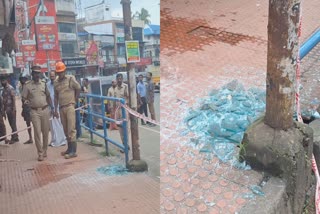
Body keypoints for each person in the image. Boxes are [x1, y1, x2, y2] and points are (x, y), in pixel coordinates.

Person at [21, 65, 54, 161]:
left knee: (45, 132)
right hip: (34, 112)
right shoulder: (27, 85)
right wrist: (26, 101)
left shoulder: (44, 84)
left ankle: (44, 151)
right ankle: (40, 153)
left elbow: (48, 97)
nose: (37, 75)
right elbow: (24, 97)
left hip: (45, 110)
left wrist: (52, 108)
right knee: (37, 132)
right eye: (35, 73)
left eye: (38, 73)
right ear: (32, 74)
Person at [54, 61, 81, 159]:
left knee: (71, 129)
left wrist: (75, 100)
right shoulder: (56, 82)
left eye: (62, 72)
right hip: (61, 108)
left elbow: (78, 88)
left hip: (70, 106)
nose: (60, 74)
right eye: (59, 72)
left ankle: (73, 151)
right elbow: (56, 96)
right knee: (65, 130)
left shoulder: (71, 79)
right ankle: (69, 149)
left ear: (65, 71)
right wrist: (55, 109)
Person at [47, 71, 67, 147]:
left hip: (58, 107)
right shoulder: (47, 85)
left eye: (53, 76)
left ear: (55, 76)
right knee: (52, 125)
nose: (52, 78)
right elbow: (47, 97)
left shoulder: (59, 84)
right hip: (50, 107)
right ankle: (54, 140)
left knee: (59, 124)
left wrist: (55, 109)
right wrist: (51, 108)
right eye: (51, 76)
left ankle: (62, 140)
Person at [114, 73, 130, 152]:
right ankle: (124, 144)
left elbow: (129, 97)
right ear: (116, 79)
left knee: (125, 128)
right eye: (118, 79)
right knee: (120, 129)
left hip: (124, 109)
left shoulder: (126, 87)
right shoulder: (115, 89)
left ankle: (126, 146)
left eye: (120, 78)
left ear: (122, 79)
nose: (119, 80)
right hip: (118, 110)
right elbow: (114, 100)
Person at [1, 76, 19, 142]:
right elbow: (4, 101)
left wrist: (14, 109)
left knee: (13, 124)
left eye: (3, 81)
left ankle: (13, 138)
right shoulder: (4, 89)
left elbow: (13, 98)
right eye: (1, 81)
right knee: (11, 124)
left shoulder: (10, 88)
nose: (2, 82)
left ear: (7, 81)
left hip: (11, 109)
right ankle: (16, 137)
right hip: (7, 110)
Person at [19, 74, 33, 144]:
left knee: (34, 123)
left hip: (30, 108)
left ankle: (34, 138)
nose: (22, 81)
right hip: (26, 109)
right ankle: (30, 138)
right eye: (21, 79)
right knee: (28, 124)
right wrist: (23, 110)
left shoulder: (28, 87)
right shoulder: (22, 87)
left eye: (24, 79)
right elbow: (23, 100)